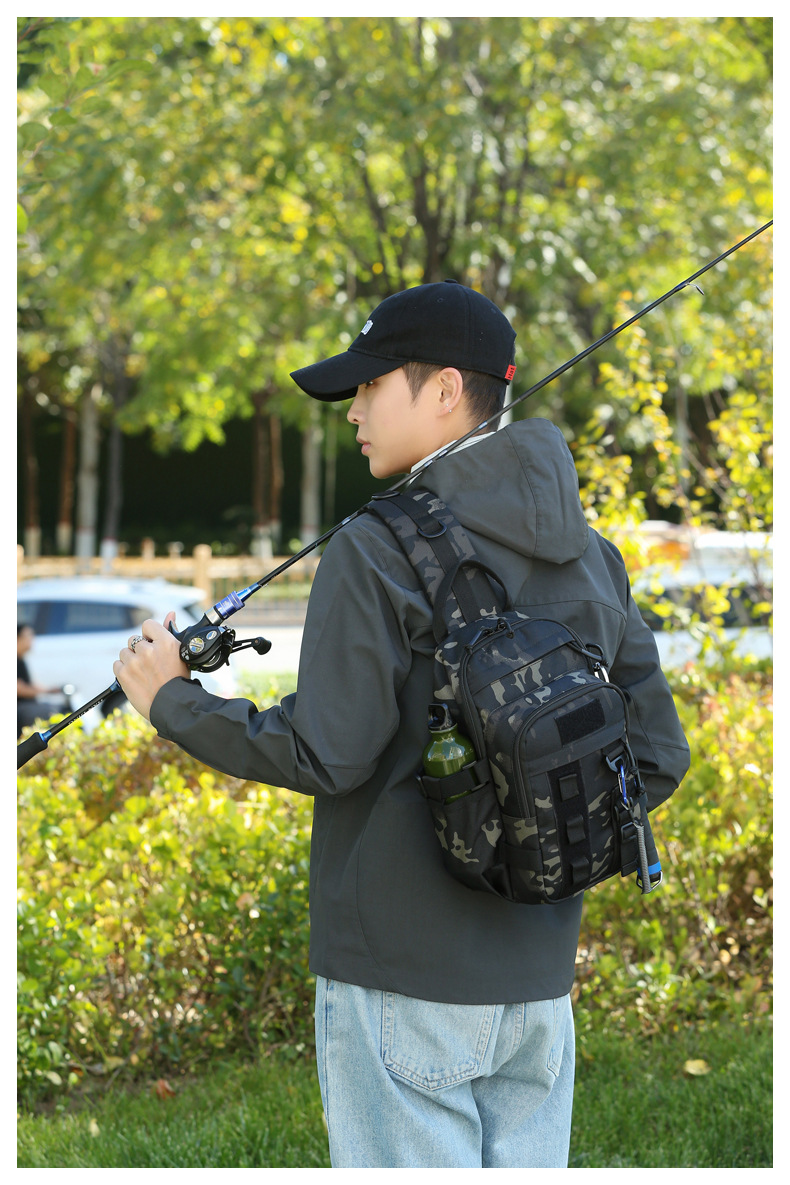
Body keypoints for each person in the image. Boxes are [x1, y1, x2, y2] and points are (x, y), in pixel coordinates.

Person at [113, 280, 690, 1169]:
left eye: (372, 383)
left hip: (398, 983)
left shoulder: (376, 546)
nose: (353, 410)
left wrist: (172, 702)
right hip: (541, 992)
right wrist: (539, 849)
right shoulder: (593, 555)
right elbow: (655, 755)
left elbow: (325, 752)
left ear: (446, 389)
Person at [17, 623, 63, 738]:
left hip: (27, 706)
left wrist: (51, 690)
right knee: (52, 711)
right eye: (28, 636)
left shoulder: (21, 660)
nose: (32, 640)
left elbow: (30, 685)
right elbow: (18, 688)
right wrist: (46, 692)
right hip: (20, 708)